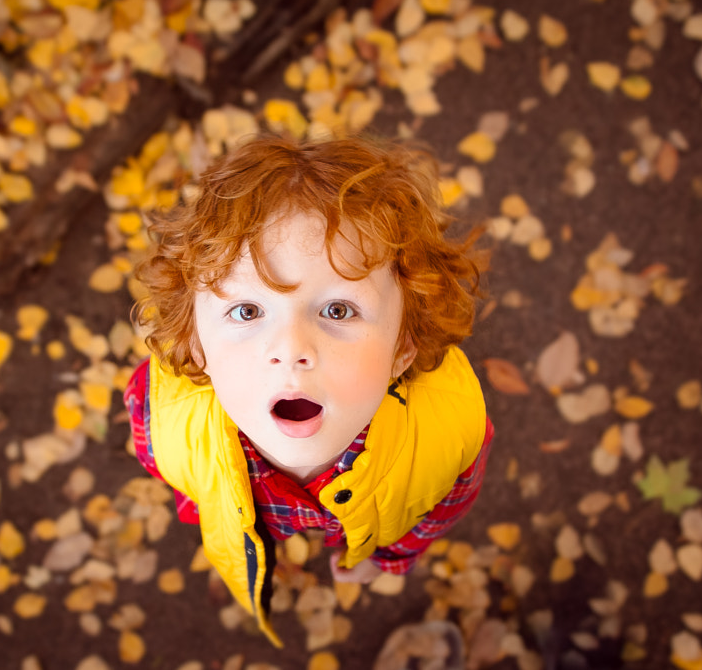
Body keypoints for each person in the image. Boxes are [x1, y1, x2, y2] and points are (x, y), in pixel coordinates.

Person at [122, 133, 494, 647]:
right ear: (195, 340)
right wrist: (212, 508)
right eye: (248, 311)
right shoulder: (163, 416)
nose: (291, 348)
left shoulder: (446, 436)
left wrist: (389, 557)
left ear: (403, 348)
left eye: (338, 310)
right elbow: (178, 473)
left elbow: (438, 509)